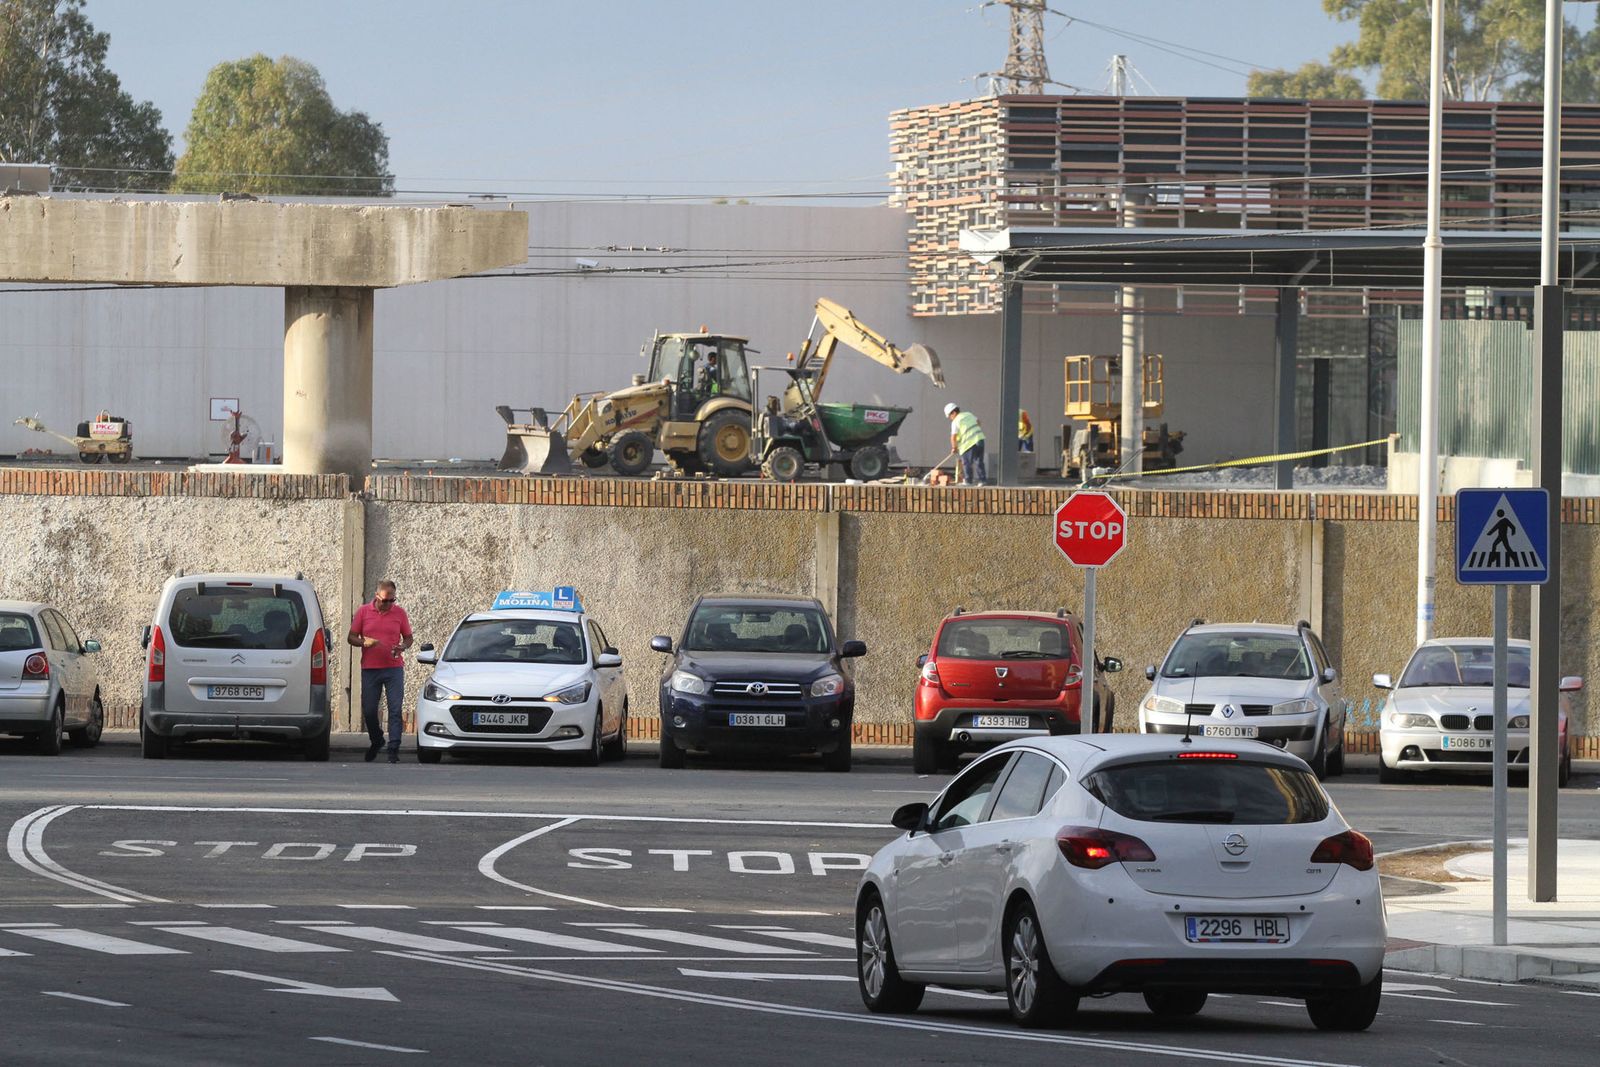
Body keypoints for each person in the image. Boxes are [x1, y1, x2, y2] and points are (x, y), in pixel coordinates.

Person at [348, 580, 413, 763]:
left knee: (394, 709)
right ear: (376, 597)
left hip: (393, 669)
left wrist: (403, 647)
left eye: (392, 600)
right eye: (385, 601)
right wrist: (363, 642)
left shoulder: (399, 613)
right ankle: (376, 739)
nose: (388, 604)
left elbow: (408, 638)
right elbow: (351, 637)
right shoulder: (363, 612)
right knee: (369, 710)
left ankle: (393, 748)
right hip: (370, 669)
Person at [944, 402, 988, 486]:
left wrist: (954, 448)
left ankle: (968, 481)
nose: (950, 418)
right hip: (980, 439)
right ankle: (983, 480)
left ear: (953, 412)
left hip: (968, 443)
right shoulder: (968, 414)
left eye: (950, 416)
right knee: (979, 461)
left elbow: (953, 437)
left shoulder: (955, 421)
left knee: (967, 462)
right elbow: (978, 422)